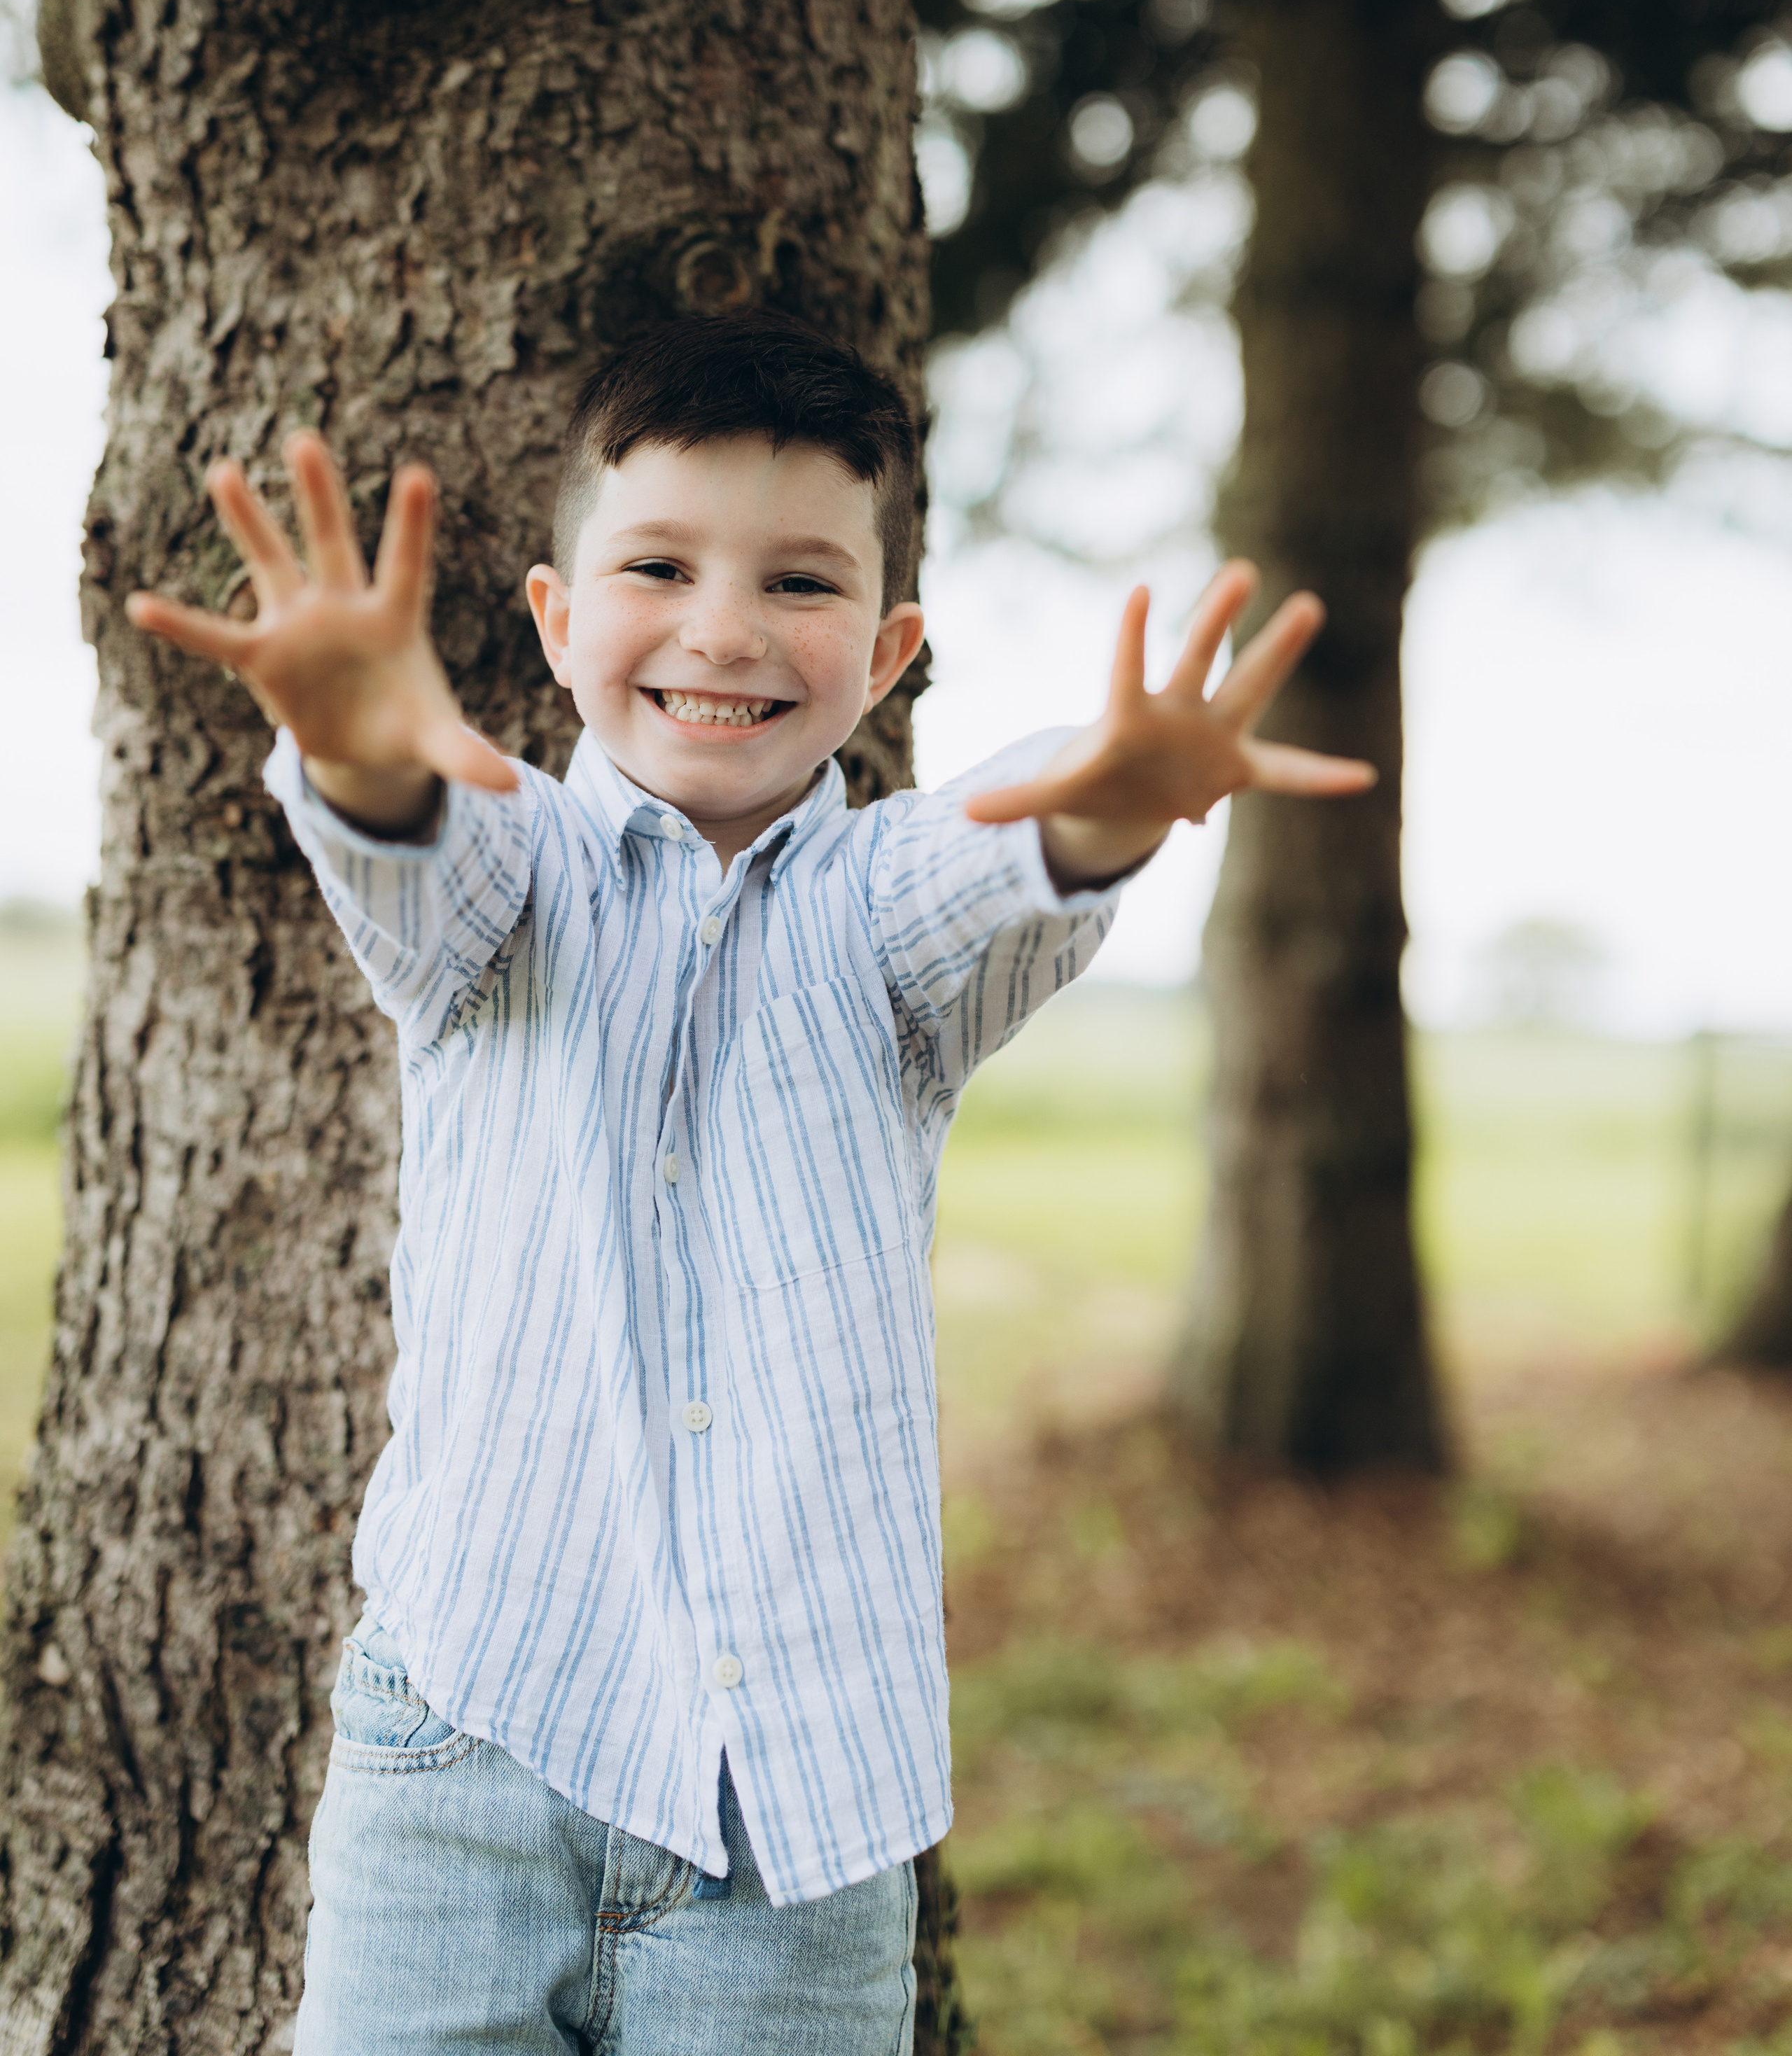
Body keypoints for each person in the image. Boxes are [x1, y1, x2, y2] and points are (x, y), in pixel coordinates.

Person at [127, 313, 1373, 2055]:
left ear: (884, 654)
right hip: (465, 1750)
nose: (722, 629)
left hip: (792, 1808)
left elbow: (1007, 850)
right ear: (558, 625)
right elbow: (406, 834)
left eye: (800, 585)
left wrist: (1121, 802)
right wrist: (356, 739)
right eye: (657, 566)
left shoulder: (878, 920)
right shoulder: (512, 877)